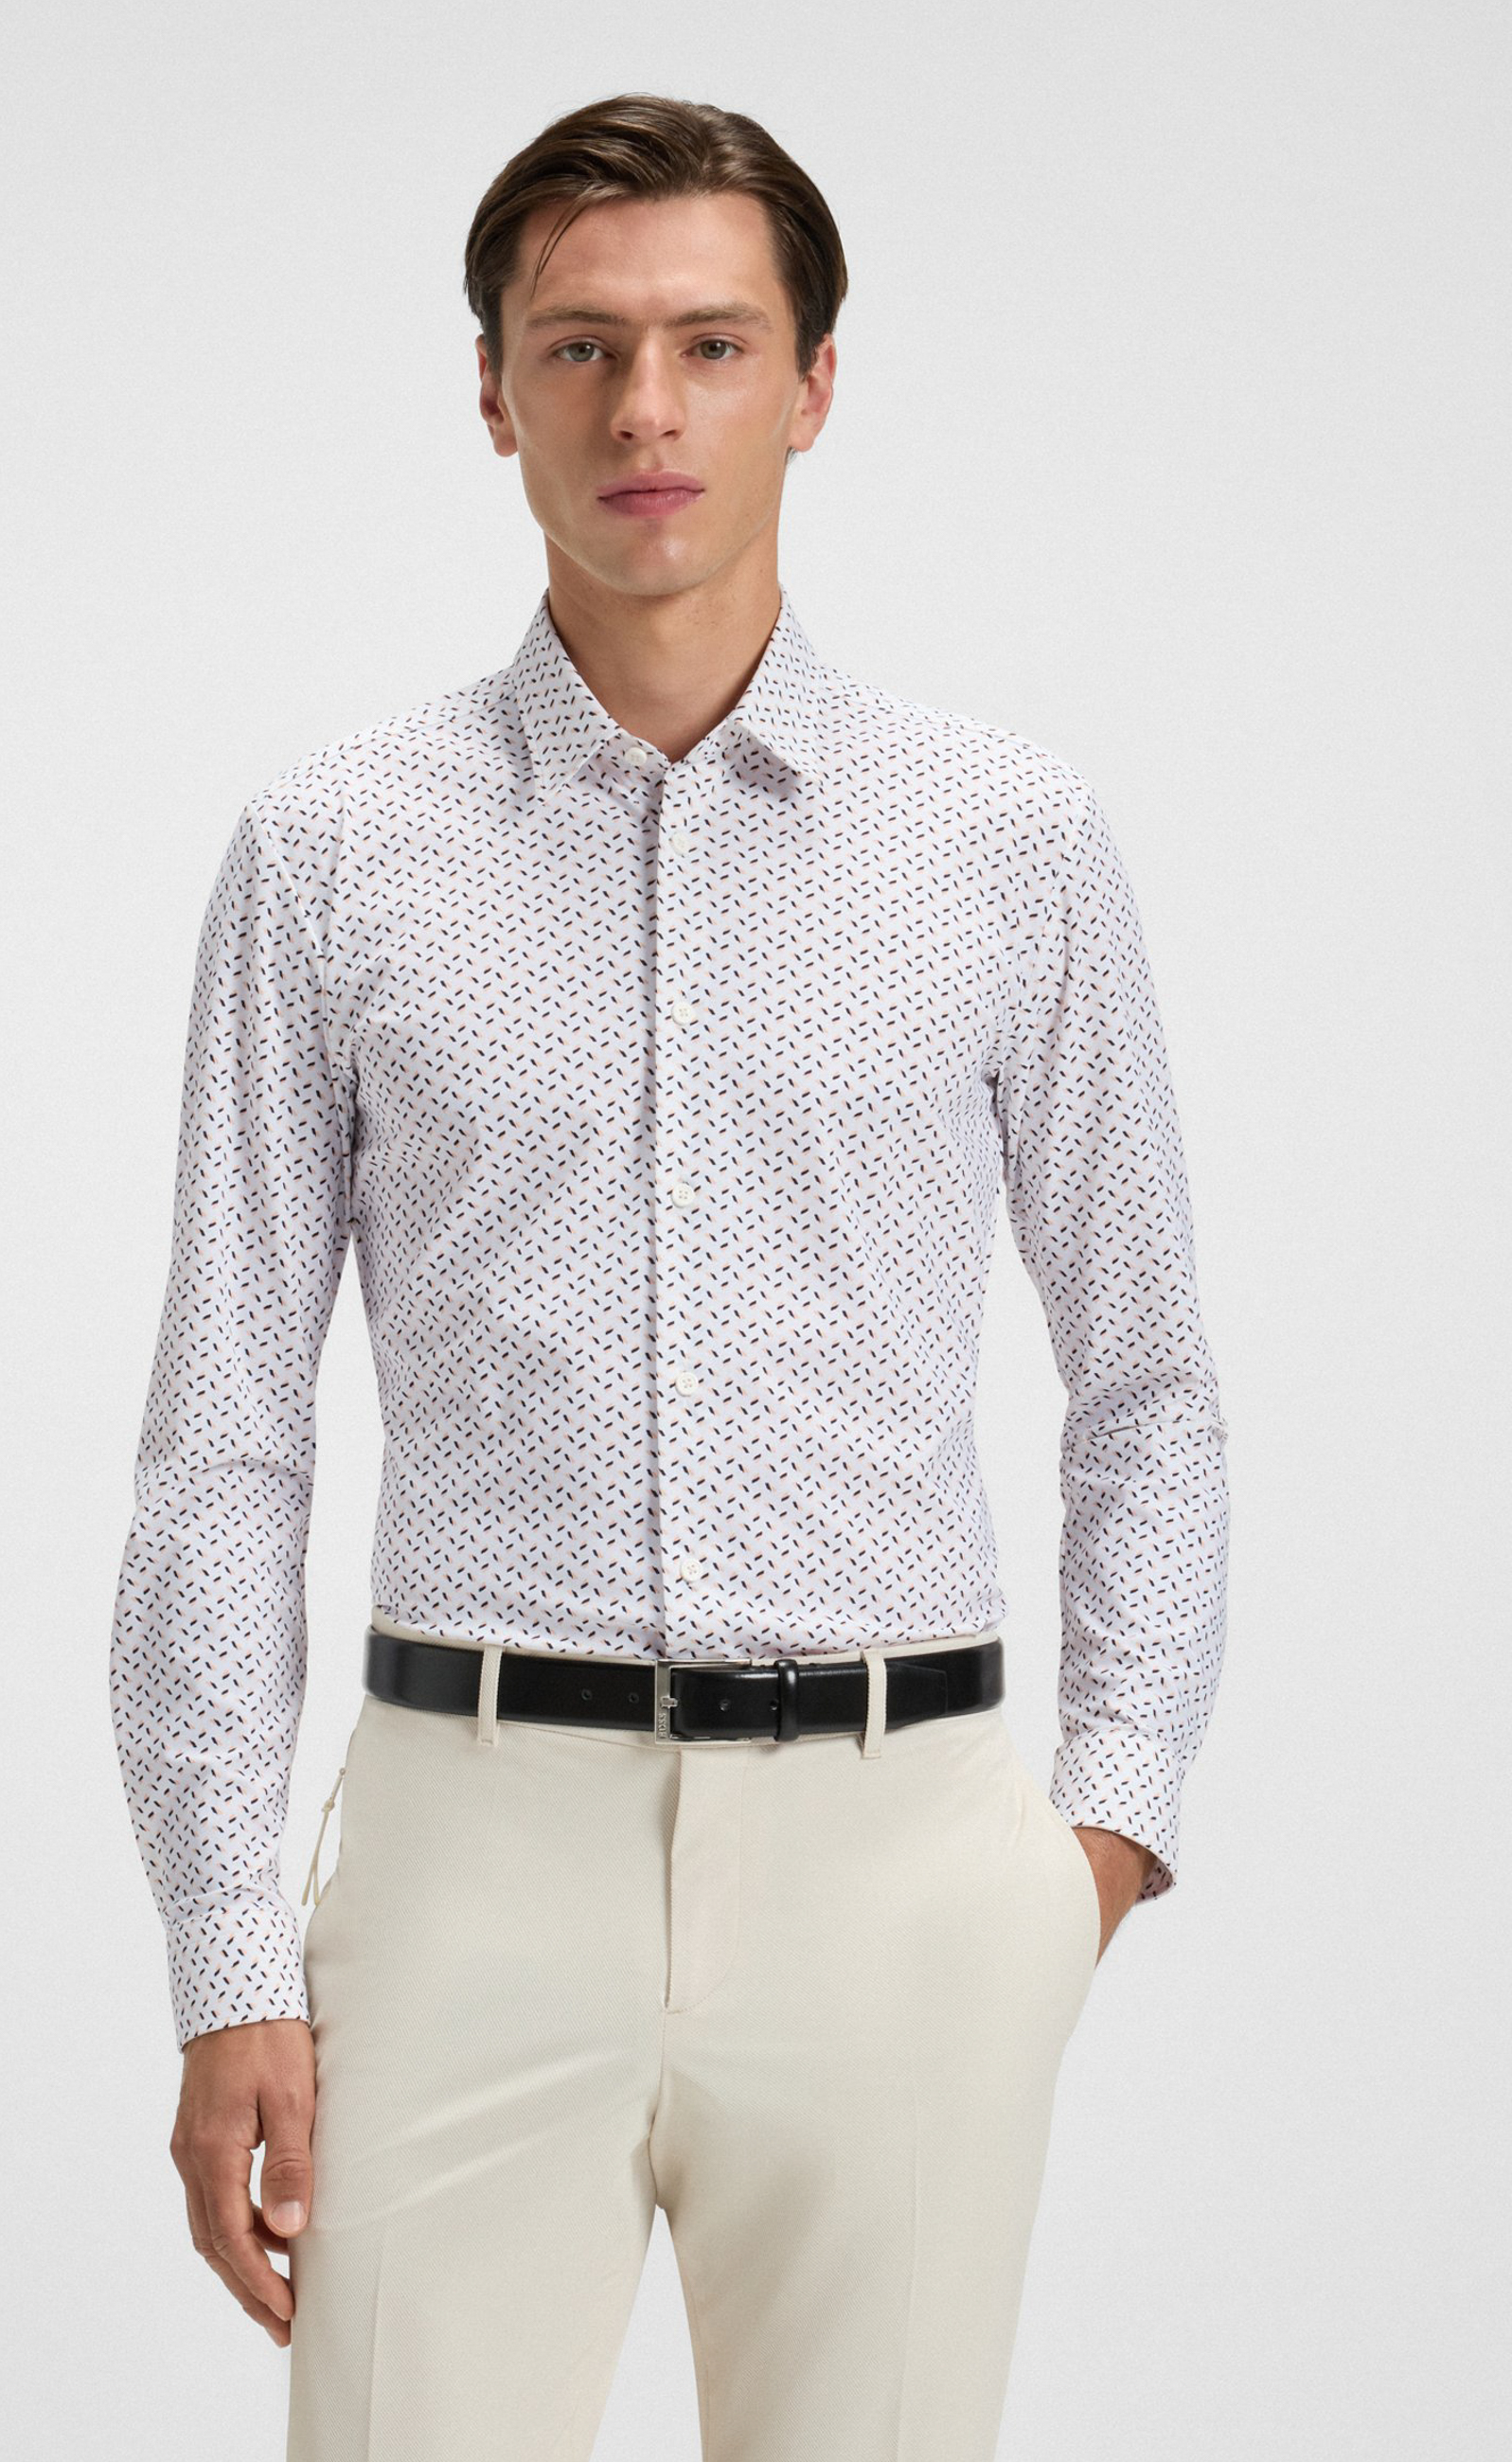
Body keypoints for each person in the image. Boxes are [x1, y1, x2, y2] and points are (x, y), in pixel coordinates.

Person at [110, 89, 1230, 2462]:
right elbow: (225, 1442)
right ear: (492, 391)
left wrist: (1093, 1845)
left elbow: (1148, 1384)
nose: (647, 408)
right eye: (582, 346)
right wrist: (224, 1961)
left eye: (713, 344)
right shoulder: (332, 854)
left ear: (812, 384)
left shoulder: (1008, 842)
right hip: (465, 1856)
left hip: (904, 1868)